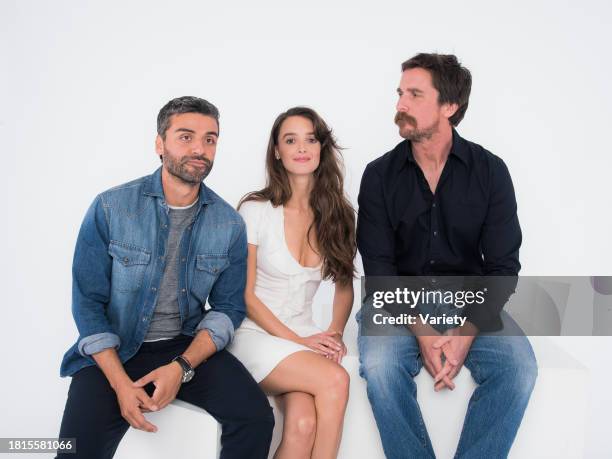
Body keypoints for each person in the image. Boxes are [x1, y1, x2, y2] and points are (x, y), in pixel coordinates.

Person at [56, 96, 274, 459]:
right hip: (114, 349)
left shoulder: (228, 223)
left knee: (255, 419)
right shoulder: (111, 207)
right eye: (185, 137)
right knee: (73, 452)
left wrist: (182, 368)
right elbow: (87, 303)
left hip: (182, 344)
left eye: (210, 139)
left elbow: (228, 307)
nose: (200, 149)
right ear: (160, 144)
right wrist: (121, 385)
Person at [356, 54, 538, 458]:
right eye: (400, 93)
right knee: (383, 370)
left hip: (469, 301)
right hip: (396, 303)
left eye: (415, 94)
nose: (401, 103)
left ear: (449, 107)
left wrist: (468, 330)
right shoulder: (379, 175)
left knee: (519, 369)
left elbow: (503, 267)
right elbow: (380, 274)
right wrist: (422, 331)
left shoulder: (490, 171)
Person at [227, 107, 355, 459]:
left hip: (302, 336)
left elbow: (345, 285)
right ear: (277, 152)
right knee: (335, 379)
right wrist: (299, 341)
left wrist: (335, 333)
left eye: (310, 139)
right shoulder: (255, 210)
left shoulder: (338, 214)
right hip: (255, 335)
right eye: (290, 140)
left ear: (321, 148)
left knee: (302, 426)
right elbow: (245, 294)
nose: (302, 148)